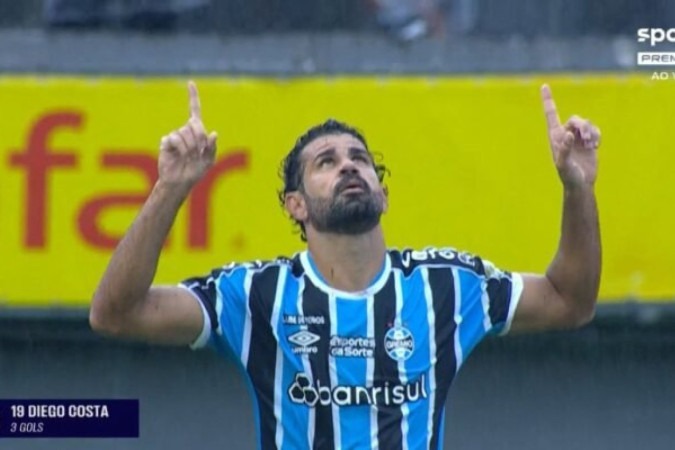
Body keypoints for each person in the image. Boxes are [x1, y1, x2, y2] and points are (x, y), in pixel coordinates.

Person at [90, 81, 601, 449]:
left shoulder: (446, 286)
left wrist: (578, 189)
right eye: (326, 162)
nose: (350, 166)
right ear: (296, 205)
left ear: (382, 191)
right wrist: (170, 188)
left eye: (360, 158)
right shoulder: (255, 294)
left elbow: (568, 301)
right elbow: (116, 312)